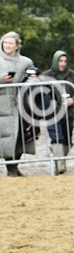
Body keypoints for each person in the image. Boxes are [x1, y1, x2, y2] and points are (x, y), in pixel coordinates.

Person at [0, 31, 37, 176]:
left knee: (21, 135)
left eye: (10, 43)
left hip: (22, 103)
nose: (7, 45)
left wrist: (33, 80)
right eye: (5, 42)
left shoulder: (26, 61)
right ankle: (11, 168)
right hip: (3, 103)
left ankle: (14, 167)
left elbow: (33, 76)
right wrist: (2, 79)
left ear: (17, 46)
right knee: (6, 135)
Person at [41, 50, 74, 173]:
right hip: (52, 113)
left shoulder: (71, 74)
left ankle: (59, 158)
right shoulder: (46, 75)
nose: (63, 64)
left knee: (67, 140)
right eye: (60, 61)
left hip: (67, 113)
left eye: (65, 61)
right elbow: (41, 94)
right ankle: (60, 165)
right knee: (56, 137)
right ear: (55, 61)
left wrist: (72, 100)